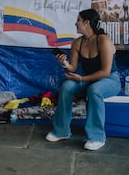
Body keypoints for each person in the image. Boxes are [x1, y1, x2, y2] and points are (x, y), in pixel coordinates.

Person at [45, 9, 120, 151]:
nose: (76, 23)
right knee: (67, 86)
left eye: (78, 20)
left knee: (95, 90)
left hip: (109, 79)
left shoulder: (103, 40)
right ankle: (61, 131)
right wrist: (65, 63)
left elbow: (105, 72)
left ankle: (97, 137)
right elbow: (72, 67)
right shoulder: (77, 43)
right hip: (88, 78)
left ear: (87, 23)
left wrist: (82, 78)